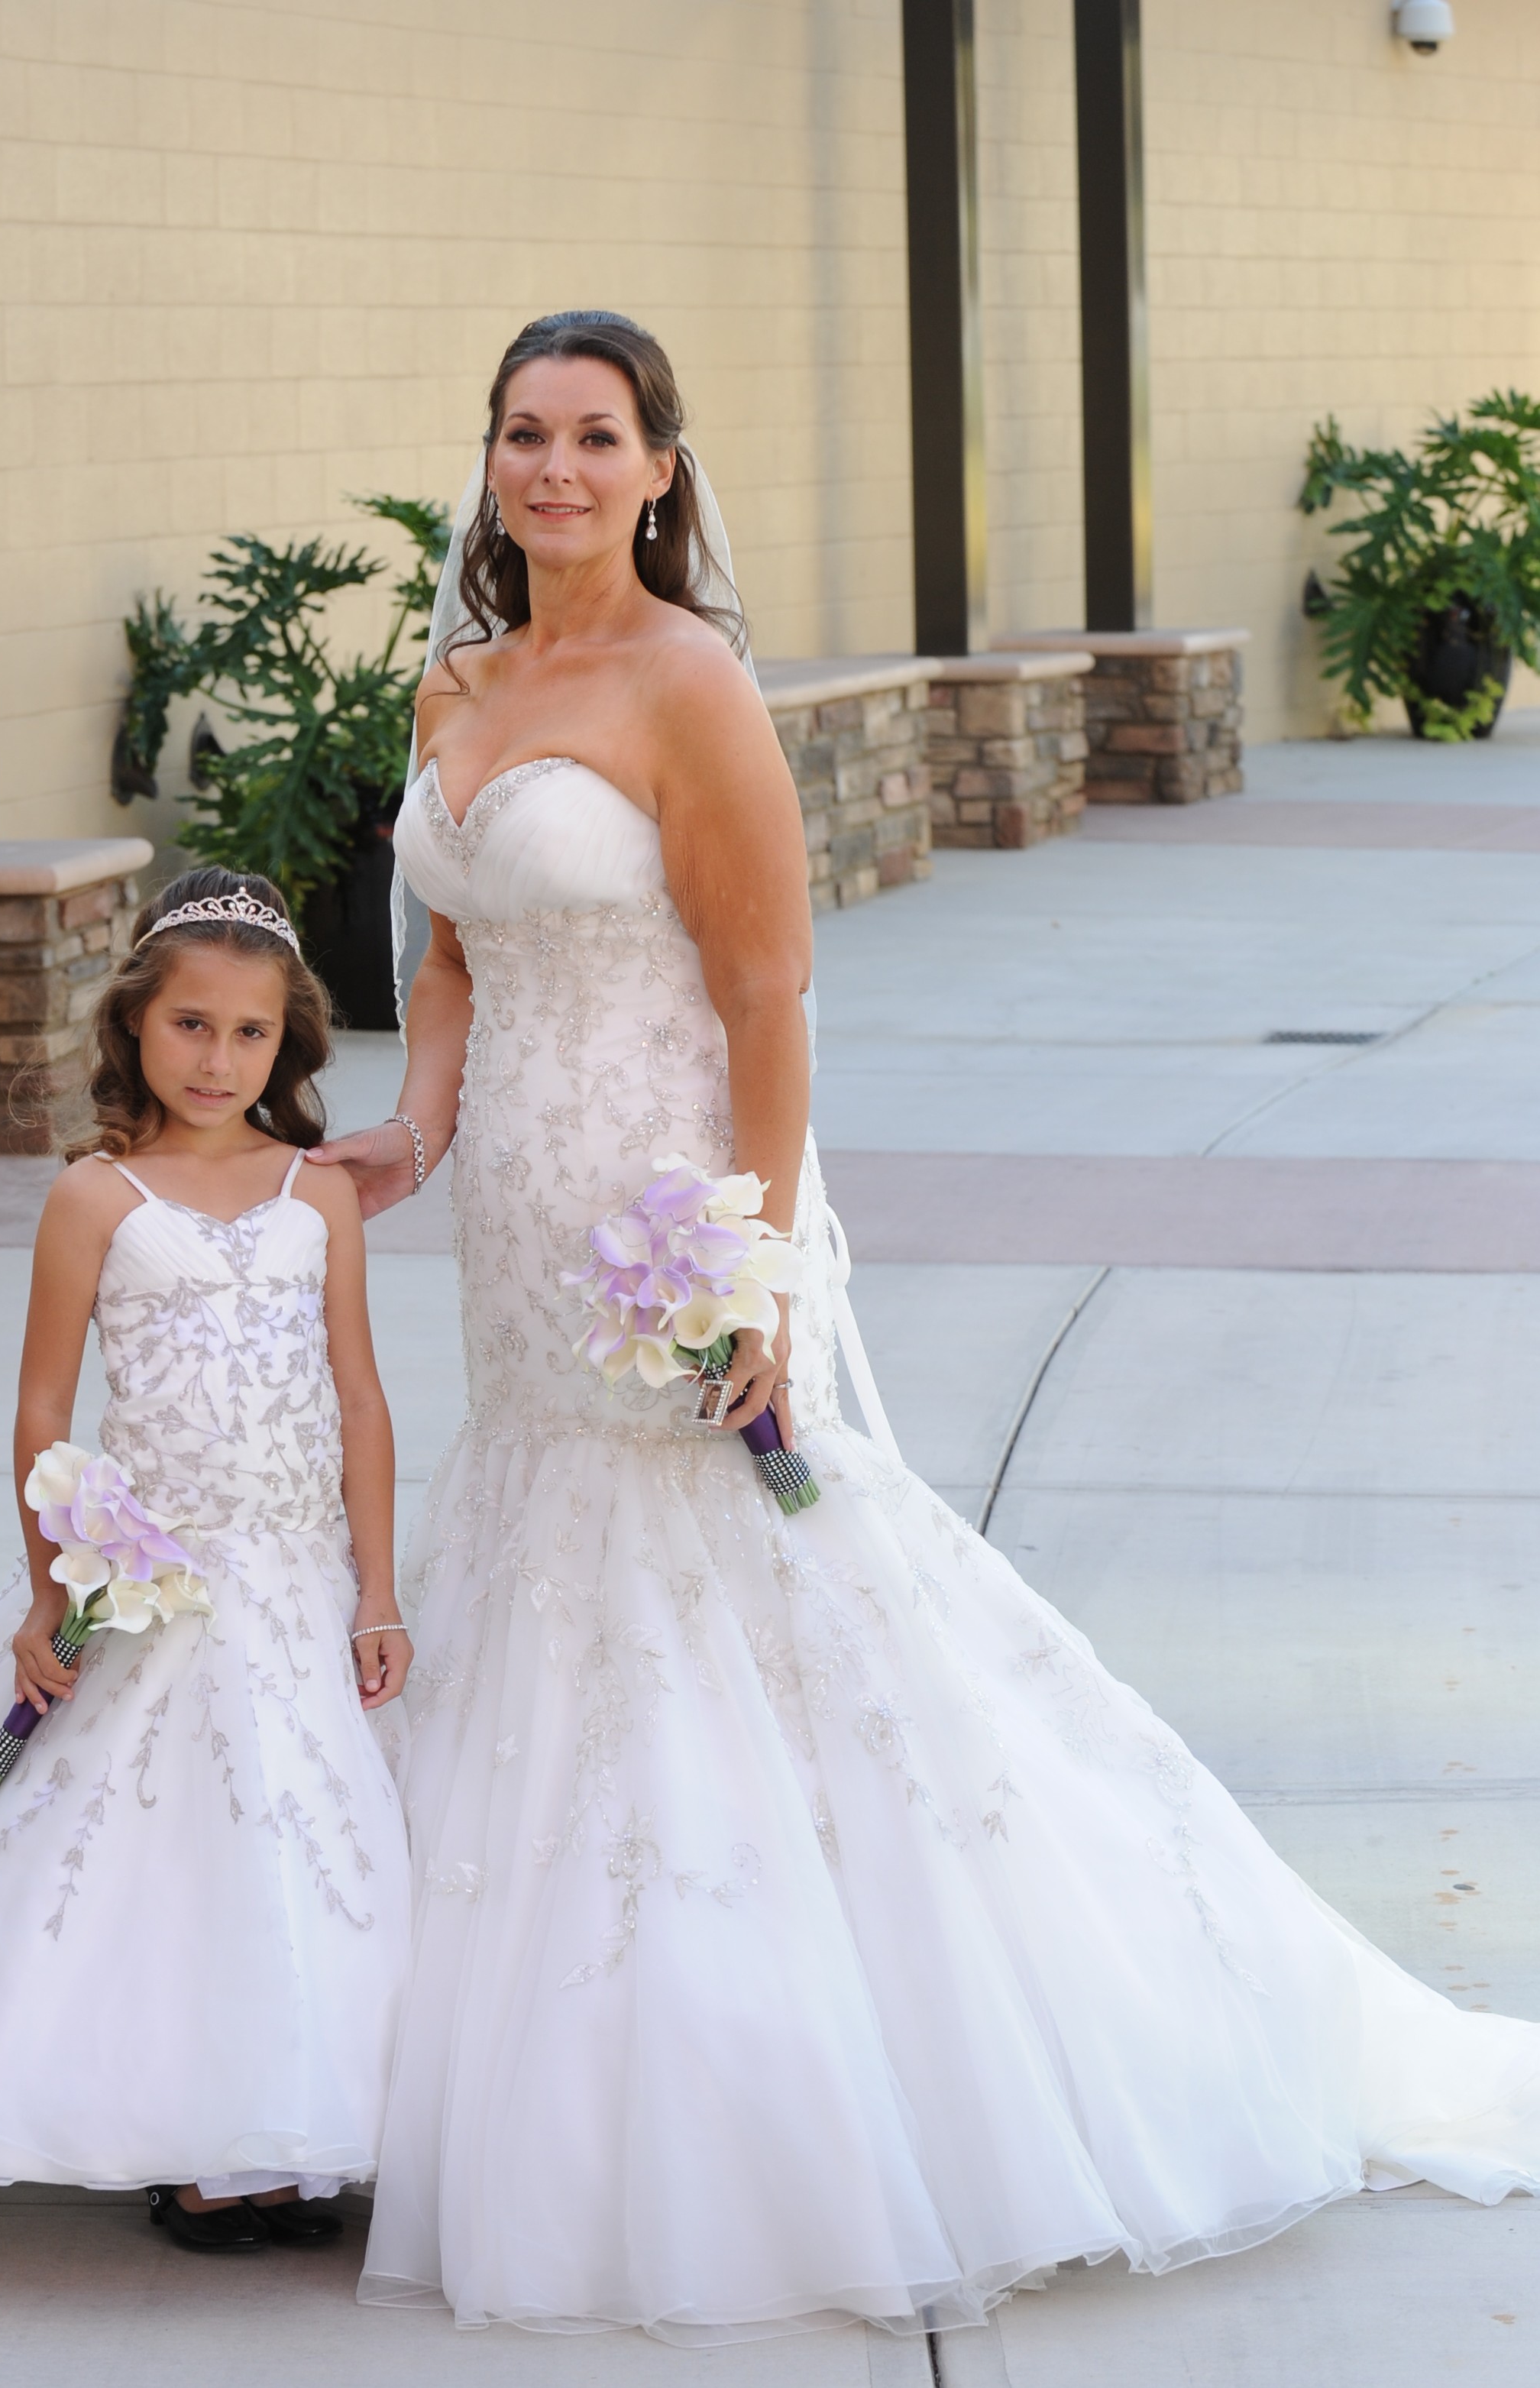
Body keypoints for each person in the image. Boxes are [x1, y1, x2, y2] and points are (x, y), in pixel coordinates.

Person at [309, 311, 1540, 2344]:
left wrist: (755, 1261)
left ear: (656, 471)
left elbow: (771, 991)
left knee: (750, 1589)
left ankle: (820, 2063)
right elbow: (452, 934)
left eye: (591, 436)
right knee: (540, 1566)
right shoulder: (459, 675)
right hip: (509, 1241)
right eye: (520, 432)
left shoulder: (688, 683)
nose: (548, 466)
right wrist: (418, 1124)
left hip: (656, 1204)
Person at [0, 868, 413, 2253]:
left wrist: (378, 1586)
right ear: (135, 1027)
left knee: (297, 1846)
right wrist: (55, 1588)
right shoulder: (94, 1196)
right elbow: (44, 1410)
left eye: (247, 1032)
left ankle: (294, 2132)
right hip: (150, 1581)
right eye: (189, 1025)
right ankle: (190, 2140)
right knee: (160, 1854)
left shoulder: (319, 1197)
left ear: (286, 1042)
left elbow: (358, 1395)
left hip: (292, 1581)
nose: (217, 1058)